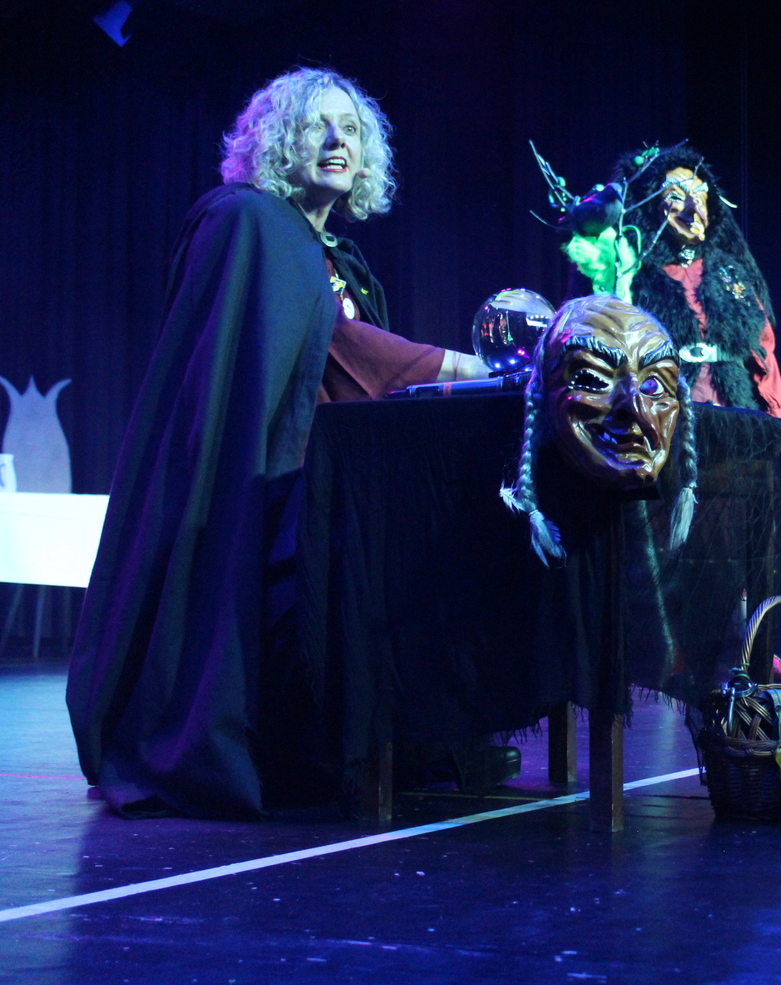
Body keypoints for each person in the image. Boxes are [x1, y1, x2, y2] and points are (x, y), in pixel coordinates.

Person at [67, 67, 489, 818]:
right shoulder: (250, 223)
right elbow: (345, 351)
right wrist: (464, 364)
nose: (336, 141)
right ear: (277, 141)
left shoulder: (336, 258)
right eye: (315, 125)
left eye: (350, 129)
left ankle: (409, 738)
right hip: (259, 478)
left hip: (320, 474)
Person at [609, 144, 781, 419]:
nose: (693, 208)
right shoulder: (632, 274)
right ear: (650, 206)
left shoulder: (728, 272)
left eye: (700, 195)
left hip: (733, 417)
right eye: (676, 196)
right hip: (663, 417)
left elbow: (763, 353)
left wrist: (778, 422)